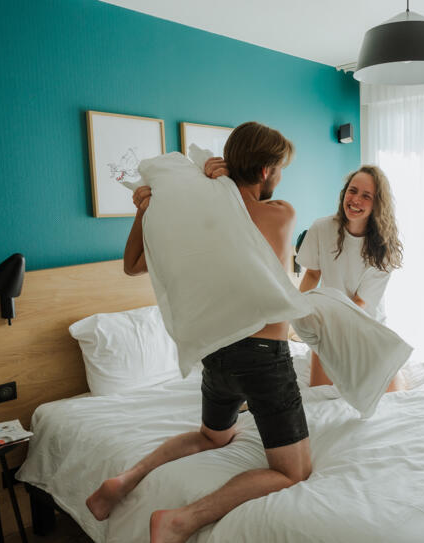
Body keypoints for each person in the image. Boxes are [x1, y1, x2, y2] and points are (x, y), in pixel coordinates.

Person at [86, 122, 311, 543]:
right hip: (264, 358)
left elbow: (132, 265)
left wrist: (145, 209)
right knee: (291, 471)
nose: (280, 177)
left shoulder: (194, 219)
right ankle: (183, 519)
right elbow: (245, 215)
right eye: (279, 168)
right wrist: (221, 184)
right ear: (265, 171)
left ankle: (124, 481)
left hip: (218, 355)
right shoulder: (280, 213)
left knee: (213, 436)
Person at [296, 165, 405, 391]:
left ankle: (397, 370)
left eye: (366, 196)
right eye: (352, 191)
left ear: (377, 204)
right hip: (328, 325)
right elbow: (313, 274)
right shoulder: (321, 228)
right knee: (320, 392)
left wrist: (329, 326)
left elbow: (360, 302)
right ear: (344, 192)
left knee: (393, 395)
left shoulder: (384, 249)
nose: (355, 200)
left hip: (364, 325)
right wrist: (299, 310)